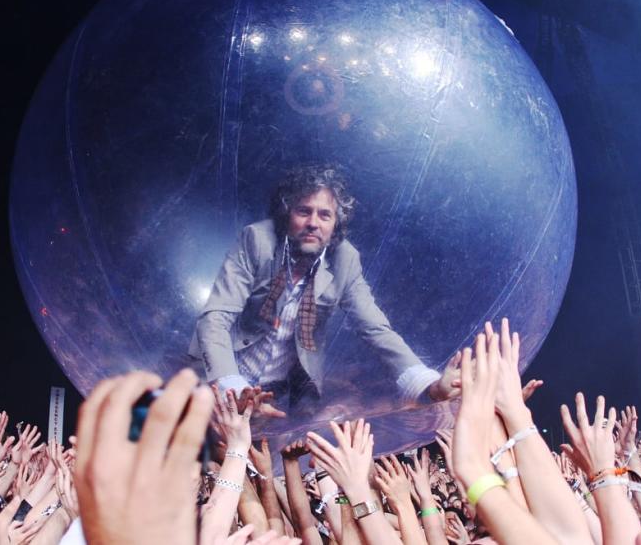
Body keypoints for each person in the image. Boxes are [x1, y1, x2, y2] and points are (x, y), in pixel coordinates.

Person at [189, 163, 458, 417]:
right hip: (221, 376)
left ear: (335, 225)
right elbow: (215, 317)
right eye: (304, 211)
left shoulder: (346, 259)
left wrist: (429, 385)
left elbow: (375, 329)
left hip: (278, 395)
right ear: (286, 214)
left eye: (325, 215)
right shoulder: (256, 239)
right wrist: (231, 386)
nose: (313, 223)